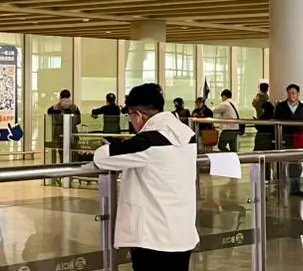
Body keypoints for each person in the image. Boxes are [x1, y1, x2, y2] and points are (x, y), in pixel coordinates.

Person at [92, 83, 199, 270]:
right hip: (182, 233)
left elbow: (103, 157)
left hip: (153, 238)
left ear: (138, 115)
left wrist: (117, 145)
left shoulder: (149, 143)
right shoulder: (186, 136)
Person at [274, 83, 303, 198]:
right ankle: (278, 186)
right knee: (281, 164)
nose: (291, 95)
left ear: (298, 94)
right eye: (289, 93)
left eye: (294, 93)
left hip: (297, 138)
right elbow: (276, 121)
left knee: (296, 165)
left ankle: (295, 188)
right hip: (284, 137)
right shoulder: (281, 107)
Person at [47, 89, 81, 162]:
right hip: (72, 132)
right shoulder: (74, 108)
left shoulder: (54, 108)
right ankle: (73, 167)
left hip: (59, 133)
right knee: (73, 151)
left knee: (61, 152)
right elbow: (78, 121)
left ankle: (63, 165)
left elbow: (49, 112)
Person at [253, 100, 276, 181]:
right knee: (267, 161)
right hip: (270, 141)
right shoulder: (274, 116)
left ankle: (260, 178)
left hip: (262, 140)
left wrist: (256, 122)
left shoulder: (264, 116)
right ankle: (267, 177)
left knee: (258, 160)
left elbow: (260, 127)